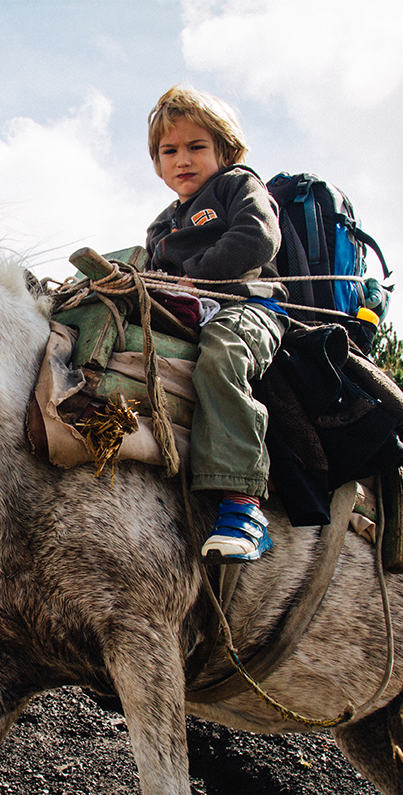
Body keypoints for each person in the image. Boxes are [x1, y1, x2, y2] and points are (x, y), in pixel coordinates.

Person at [141, 84, 286, 563]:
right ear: (158, 164)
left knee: (222, 356)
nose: (182, 159)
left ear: (225, 150)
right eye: (170, 150)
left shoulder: (237, 186)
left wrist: (195, 279)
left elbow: (257, 238)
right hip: (189, 314)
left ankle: (244, 506)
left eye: (196, 146)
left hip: (249, 307)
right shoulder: (163, 224)